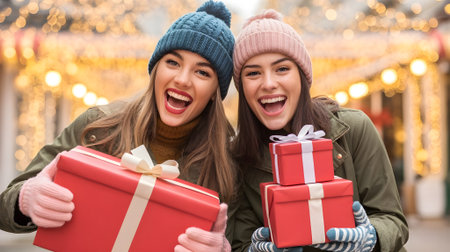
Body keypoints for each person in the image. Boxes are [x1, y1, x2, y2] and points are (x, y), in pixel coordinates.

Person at [0, 1, 238, 251]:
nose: (182, 79)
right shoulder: (97, 126)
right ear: (156, 69)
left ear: (215, 92)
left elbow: (236, 238)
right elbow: (5, 206)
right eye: (173, 63)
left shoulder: (227, 165)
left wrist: (222, 249)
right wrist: (25, 200)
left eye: (202, 73)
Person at [230, 9, 409, 252]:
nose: (269, 83)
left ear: (302, 77)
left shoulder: (353, 130)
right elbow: (240, 243)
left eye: (282, 69)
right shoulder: (238, 158)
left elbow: (393, 220)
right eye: (253, 73)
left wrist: (371, 238)